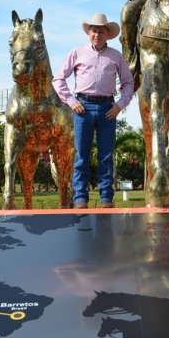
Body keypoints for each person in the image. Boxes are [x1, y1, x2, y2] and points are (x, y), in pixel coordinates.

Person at [53, 13, 134, 209]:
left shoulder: (116, 56)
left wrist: (120, 104)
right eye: (94, 30)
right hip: (83, 108)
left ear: (108, 34)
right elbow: (58, 79)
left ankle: (107, 198)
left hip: (108, 108)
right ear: (89, 33)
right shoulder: (77, 52)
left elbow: (129, 82)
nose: (97, 34)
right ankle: (80, 198)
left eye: (101, 31)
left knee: (106, 155)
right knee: (82, 155)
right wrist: (72, 101)